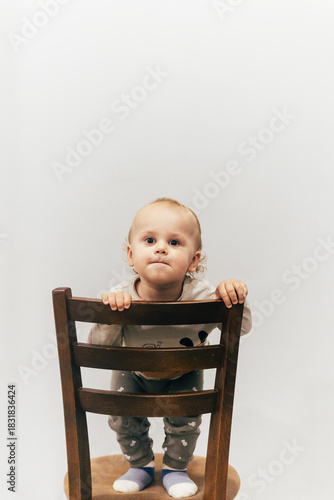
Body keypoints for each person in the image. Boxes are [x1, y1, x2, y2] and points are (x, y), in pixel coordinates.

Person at [88, 197, 252, 498]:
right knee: (122, 418)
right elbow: (97, 348)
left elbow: (241, 328)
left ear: (194, 261)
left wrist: (230, 296)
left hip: (183, 373)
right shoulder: (120, 297)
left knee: (185, 423)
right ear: (130, 254)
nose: (161, 248)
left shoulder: (204, 297)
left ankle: (176, 468)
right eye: (150, 240)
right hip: (133, 373)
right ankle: (141, 465)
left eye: (174, 242)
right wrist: (110, 315)